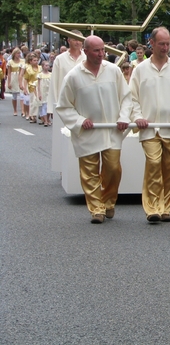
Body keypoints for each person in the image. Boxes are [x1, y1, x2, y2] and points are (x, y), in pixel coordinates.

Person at [56, 35, 132, 224]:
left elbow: (126, 98)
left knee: (113, 168)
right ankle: (96, 209)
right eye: (96, 51)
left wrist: (123, 118)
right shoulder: (74, 76)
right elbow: (64, 106)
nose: (101, 54)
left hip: (110, 130)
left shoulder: (113, 71)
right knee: (89, 171)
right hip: (88, 132)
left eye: (102, 50)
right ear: (86, 51)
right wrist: (80, 121)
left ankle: (108, 201)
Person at [130, 27, 170, 223]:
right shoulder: (140, 70)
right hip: (149, 128)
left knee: (169, 169)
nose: (165, 48)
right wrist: (138, 116)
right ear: (152, 43)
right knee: (154, 163)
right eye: (161, 44)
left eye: (167, 44)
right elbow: (132, 97)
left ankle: (165, 207)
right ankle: (152, 207)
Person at [48, 30, 85, 118]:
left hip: (84, 101)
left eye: (79, 40)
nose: (77, 42)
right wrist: (52, 107)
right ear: (69, 41)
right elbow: (54, 82)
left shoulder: (87, 58)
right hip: (65, 102)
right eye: (75, 40)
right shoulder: (60, 59)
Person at [21, 52, 40, 123]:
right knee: (33, 101)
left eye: (37, 60)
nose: (36, 62)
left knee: (40, 102)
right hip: (31, 87)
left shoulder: (40, 68)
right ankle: (32, 116)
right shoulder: (28, 69)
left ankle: (41, 116)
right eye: (34, 60)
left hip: (39, 87)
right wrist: (25, 88)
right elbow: (25, 79)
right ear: (30, 61)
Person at [7, 48, 23, 116]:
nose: (19, 55)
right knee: (14, 96)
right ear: (14, 54)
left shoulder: (22, 61)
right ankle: (15, 110)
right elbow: (9, 73)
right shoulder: (10, 62)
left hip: (20, 77)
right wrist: (9, 82)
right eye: (17, 53)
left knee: (22, 95)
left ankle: (23, 110)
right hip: (14, 77)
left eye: (19, 53)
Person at [37, 60, 52, 127]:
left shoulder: (51, 74)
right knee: (43, 106)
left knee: (48, 106)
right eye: (46, 65)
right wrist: (39, 93)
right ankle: (45, 120)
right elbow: (39, 85)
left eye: (48, 65)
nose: (47, 67)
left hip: (49, 92)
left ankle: (47, 119)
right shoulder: (40, 75)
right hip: (43, 92)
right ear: (42, 66)